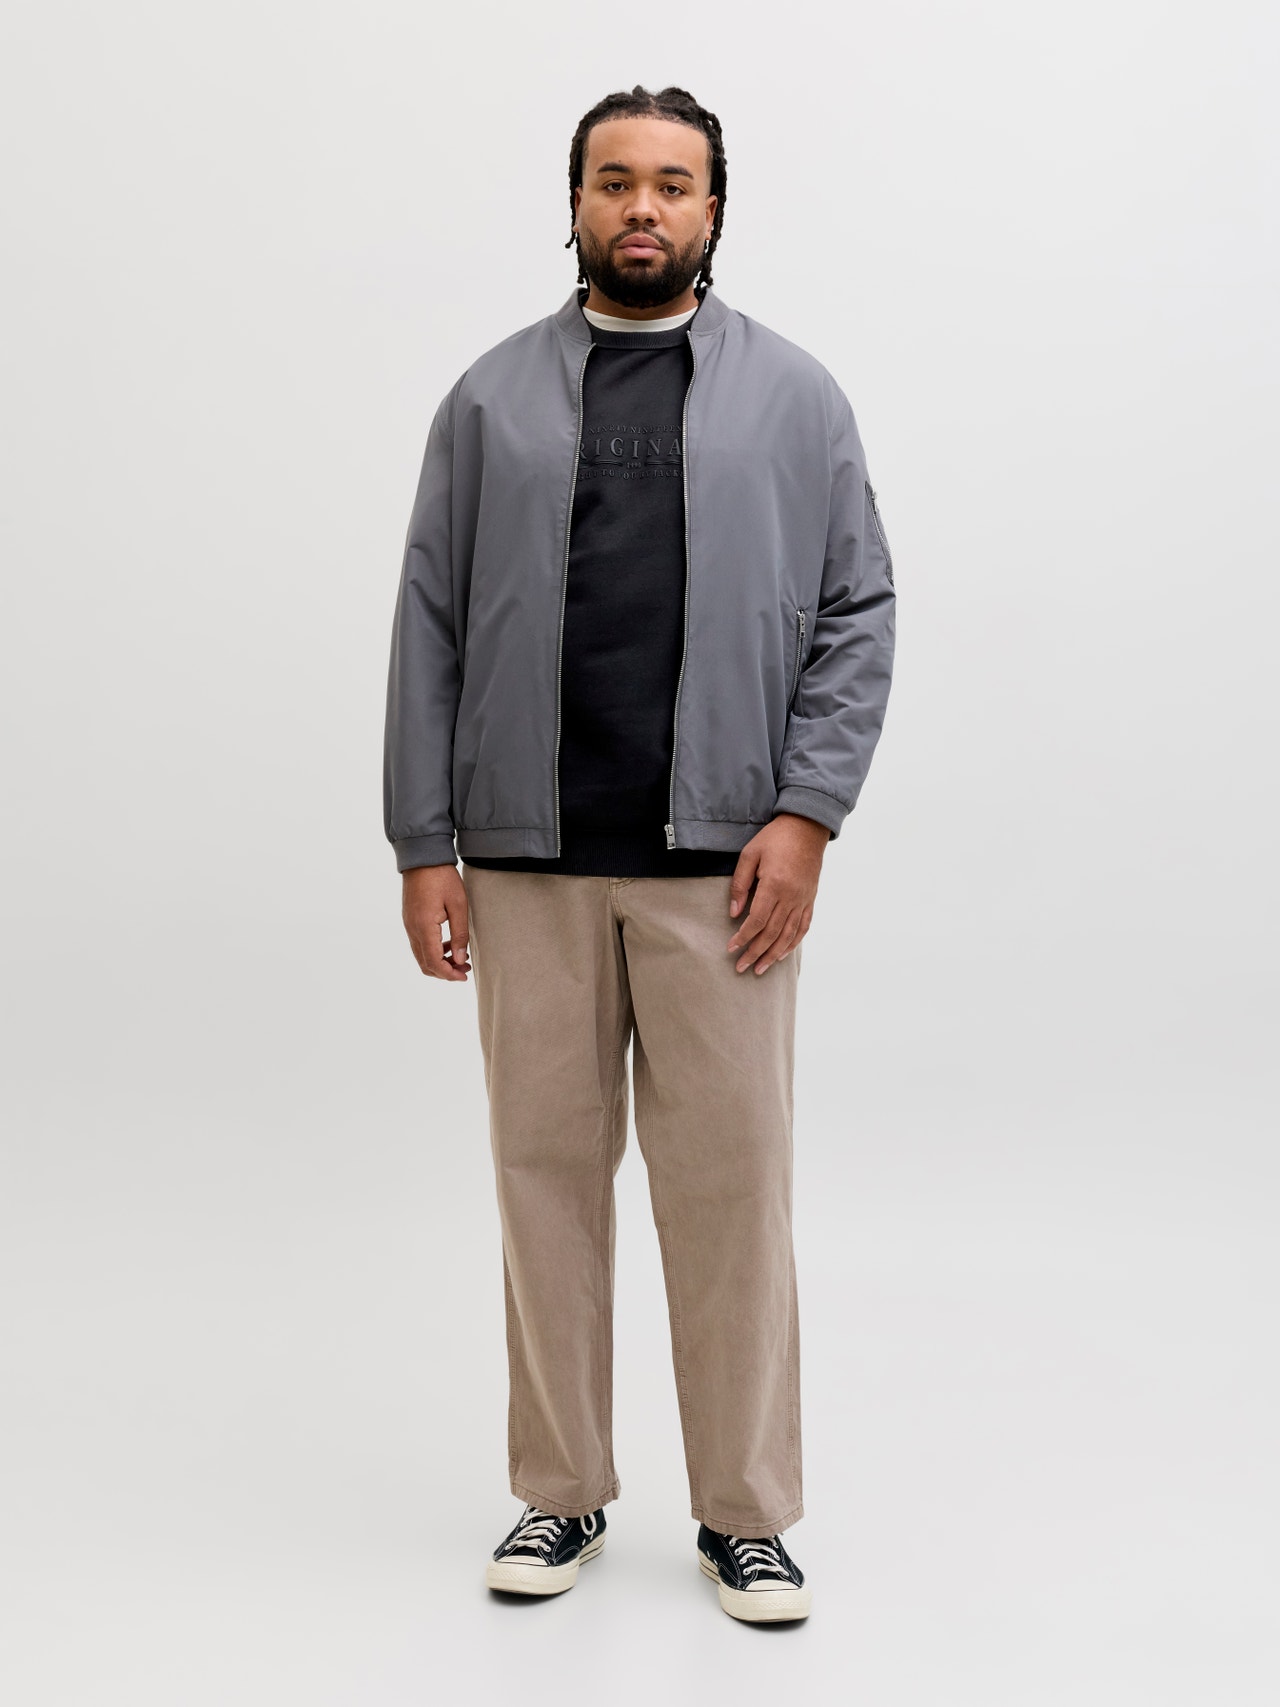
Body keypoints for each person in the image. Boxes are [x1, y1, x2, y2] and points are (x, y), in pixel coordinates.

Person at [382, 84, 896, 1624]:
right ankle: (561, 1492)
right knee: (543, 1181)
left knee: (732, 1193)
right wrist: (423, 839)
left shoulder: (795, 400)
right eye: (617, 181)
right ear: (578, 204)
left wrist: (806, 815)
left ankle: (746, 1513)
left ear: (713, 208)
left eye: (674, 182)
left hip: (722, 872)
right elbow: (430, 622)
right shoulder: (489, 402)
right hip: (526, 860)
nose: (645, 207)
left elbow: (858, 612)